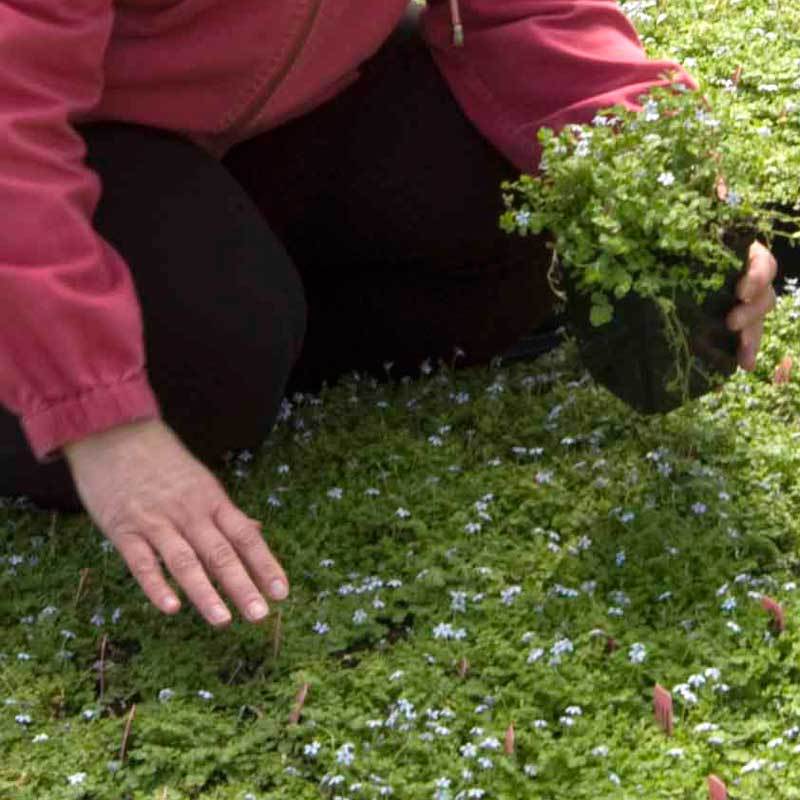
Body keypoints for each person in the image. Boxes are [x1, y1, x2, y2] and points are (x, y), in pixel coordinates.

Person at [0, 0, 778, 628]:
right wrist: (98, 415)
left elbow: (531, 14)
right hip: (69, 147)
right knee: (201, 365)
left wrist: (671, 191)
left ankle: (243, 313)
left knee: (522, 224)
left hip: (271, 114)